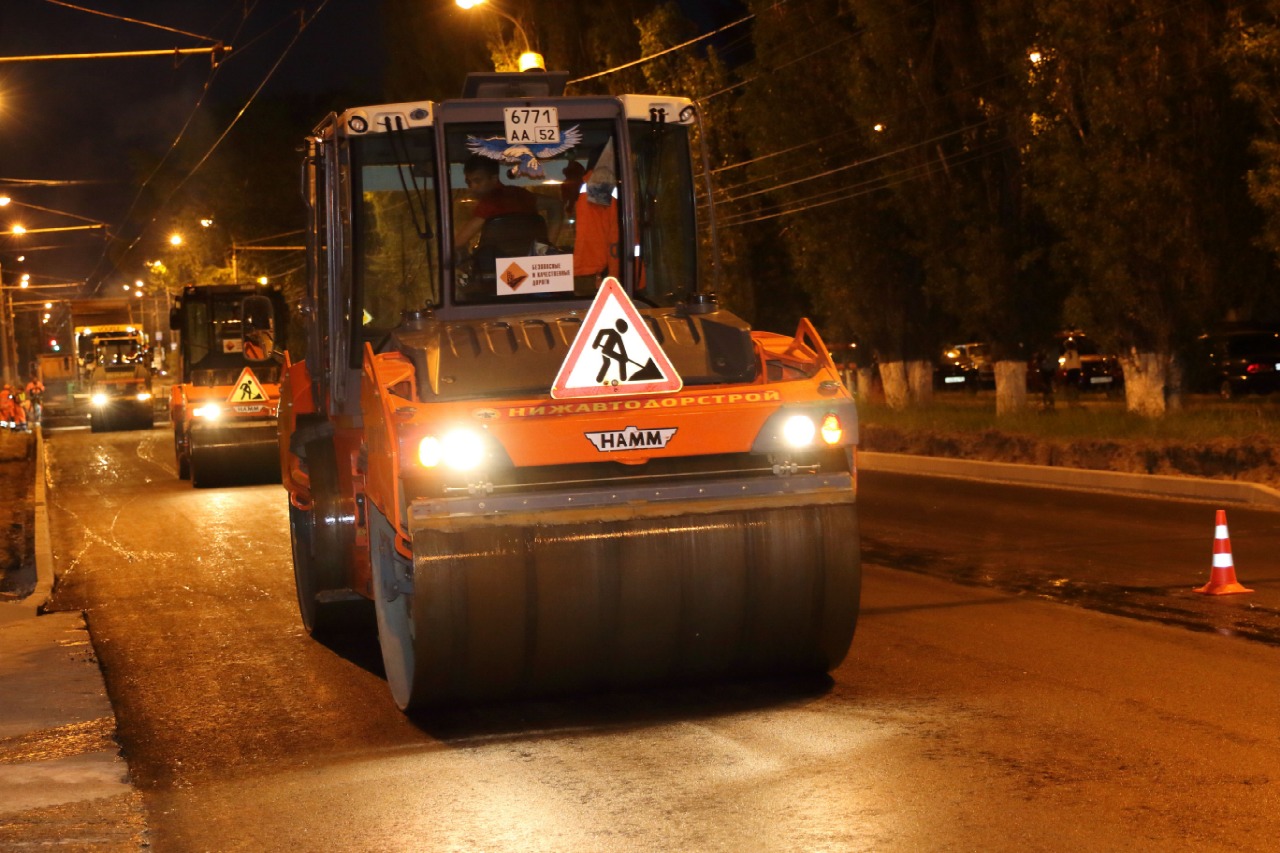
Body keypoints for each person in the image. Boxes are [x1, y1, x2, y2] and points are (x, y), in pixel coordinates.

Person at [454, 154, 540, 252]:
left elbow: (459, 242)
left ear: (494, 179)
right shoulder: (522, 195)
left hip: (499, 264)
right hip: (530, 261)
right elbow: (555, 204)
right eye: (469, 182)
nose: (472, 186)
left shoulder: (488, 203)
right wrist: (547, 245)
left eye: (477, 181)